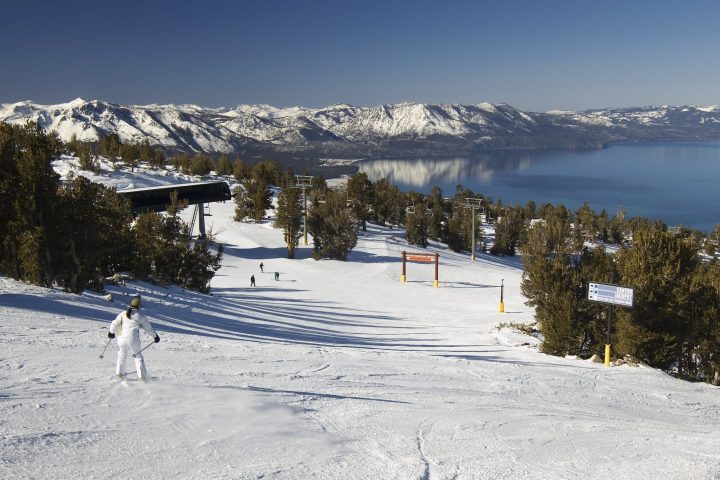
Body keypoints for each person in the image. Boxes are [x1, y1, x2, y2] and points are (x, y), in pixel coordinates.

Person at [107, 296, 159, 381]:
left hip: (121, 339)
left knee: (122, 355)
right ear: (139, 306)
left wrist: (111, 332)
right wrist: (155, 336)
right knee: (138, 356)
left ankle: (120, 374)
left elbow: (114, 323)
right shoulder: (141, 317)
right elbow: (148, 329)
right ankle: (143, 377)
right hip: (133, 340)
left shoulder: (123, 314)